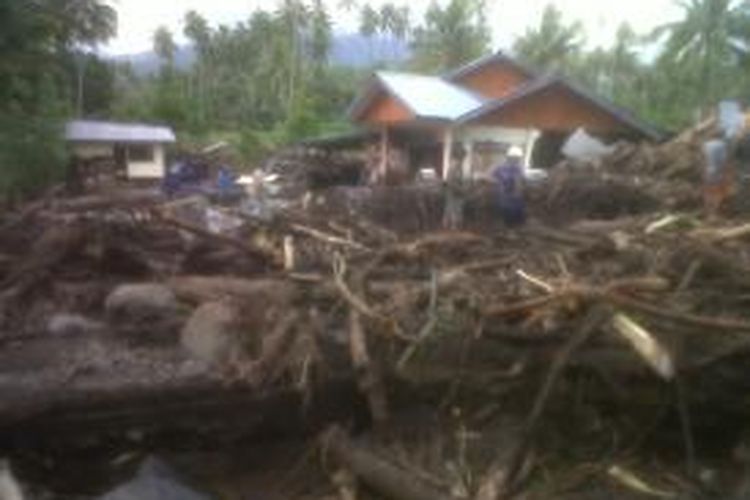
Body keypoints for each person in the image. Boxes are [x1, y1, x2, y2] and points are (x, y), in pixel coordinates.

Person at [493, 146, 526, 227]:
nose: (517, 160)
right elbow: (493, 177)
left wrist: (518, 192)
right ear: (510, 158)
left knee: (515, 216)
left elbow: (520, 182)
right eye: (516, 158)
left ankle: (513, 227)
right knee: (507, 215)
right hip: (505, 196)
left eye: (518, 158)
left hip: (513, 197)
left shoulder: (518, 168)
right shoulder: (500, 167)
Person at [703, 137, 732, 219]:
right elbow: (724, 161)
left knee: (708, 191)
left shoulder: (706, 144)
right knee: (718, 192)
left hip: (708, 171)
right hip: (718, 172)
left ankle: (708, 212)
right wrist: (727, 173)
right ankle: (715, 213)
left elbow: (703, 159)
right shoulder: (722, 145)